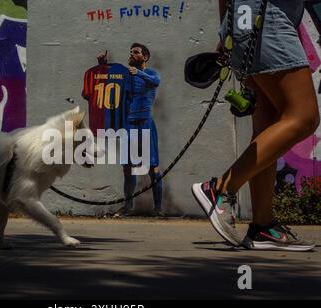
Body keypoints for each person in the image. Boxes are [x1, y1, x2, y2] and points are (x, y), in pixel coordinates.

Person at [192, 0, 320, 251]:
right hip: (266, 22)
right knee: (304, 117)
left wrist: (228, 27)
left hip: (248, 21)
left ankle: (263, 226)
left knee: (268, 124)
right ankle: (219, 189)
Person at [97, 43, 164, 216]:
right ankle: (128, 206)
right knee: (128, 168)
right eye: (131, 52)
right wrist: (102, 66)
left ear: (145, 57)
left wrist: (139, 73)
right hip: (129, 125)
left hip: (146, 124)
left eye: (136, 52)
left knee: (152, 167)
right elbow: (111, 80)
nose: (132, 54)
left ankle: (158, 208)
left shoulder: (150, 73)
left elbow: (156, 82)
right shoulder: (126, 76)